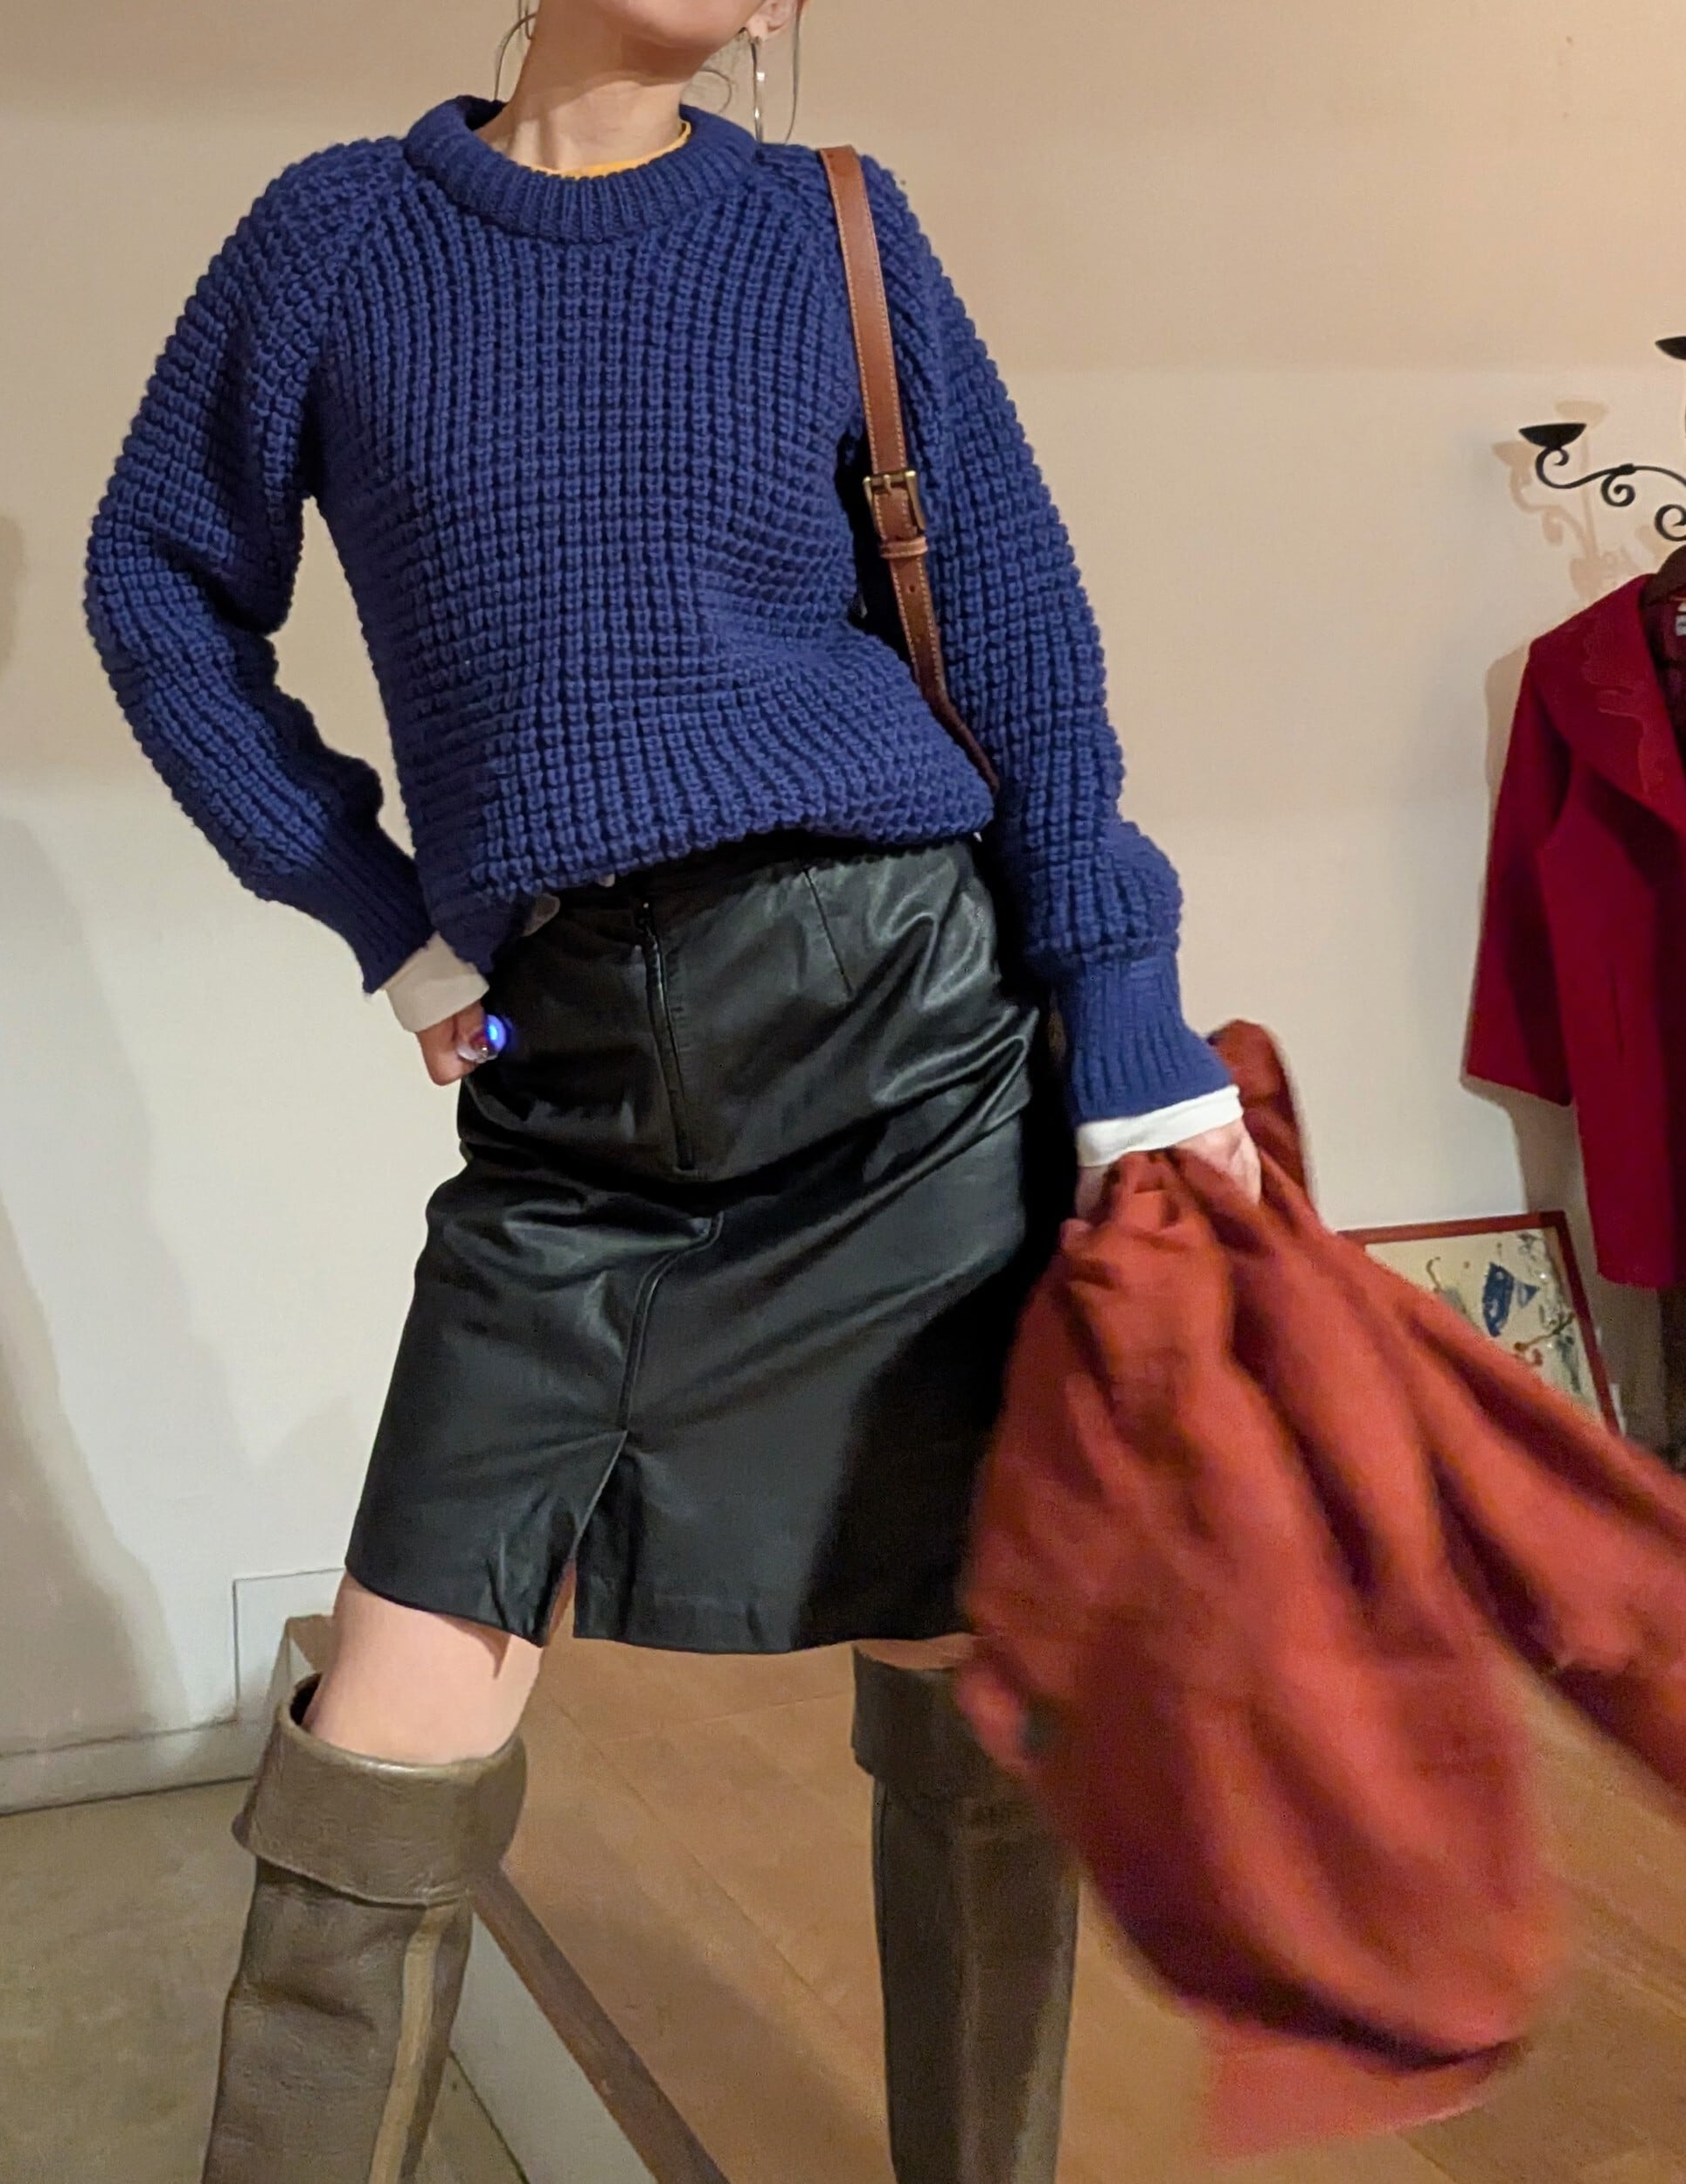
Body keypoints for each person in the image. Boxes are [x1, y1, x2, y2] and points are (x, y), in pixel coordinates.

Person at [83, 4, 1259, 2178]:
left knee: (973, 1686)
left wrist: (1125, 1010)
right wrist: (378, 910)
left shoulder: (830, 226)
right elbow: (155, 584)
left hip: (907, 1045)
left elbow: (1019, 637)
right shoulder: (335, 237)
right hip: (578, 1100)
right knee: (381, 1741)